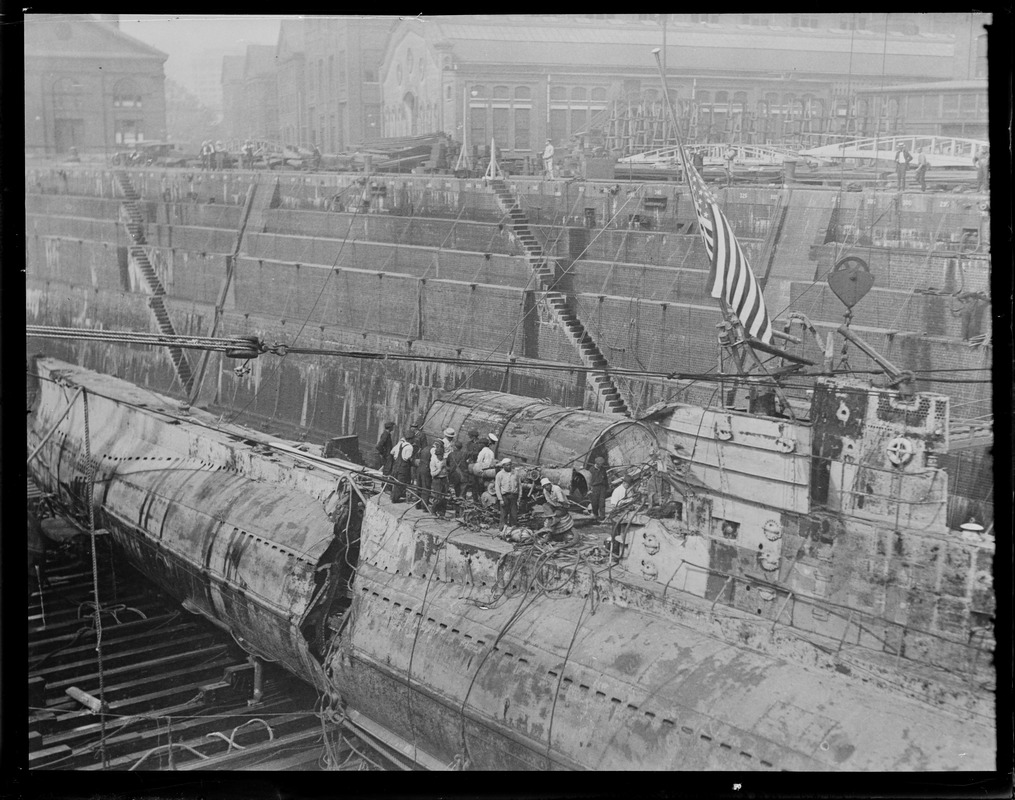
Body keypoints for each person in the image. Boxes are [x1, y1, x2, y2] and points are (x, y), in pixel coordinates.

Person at [494, 458, 520, 531]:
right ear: (503, 466)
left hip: (513, 496)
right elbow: (497, 487)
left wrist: (519, 497)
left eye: (510, 465)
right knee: (504, 513)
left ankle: (513, 529)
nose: (509, 466)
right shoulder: (499, 474)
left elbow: (519, 485)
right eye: (507, 465)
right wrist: (500, 499)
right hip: (504, 496)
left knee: (514, 513)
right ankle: (502, 529)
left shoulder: (515, 473)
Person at [409, 423, 430, 508]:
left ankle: (416, 495)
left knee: (417, 476)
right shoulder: (411, 434)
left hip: (417, 457)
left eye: (413, 428)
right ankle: (413, 492)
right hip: (411, 455)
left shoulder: (422, 435)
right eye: (411, 428)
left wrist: (420, 454)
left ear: (416, 428)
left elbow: (424, 446)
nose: (412, 429)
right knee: (412, 474)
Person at [389, 435, 413, 503]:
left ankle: (392, 496)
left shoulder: (401, 444)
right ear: (411, 439)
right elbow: (407, 458)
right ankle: (395, 499)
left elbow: (392, 452)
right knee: (400, 482)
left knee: (395, 481)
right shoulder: (410, 447)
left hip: (396, 465)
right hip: (403, 467)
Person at [429, 440, 450, 519]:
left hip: (444, 479)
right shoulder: (433, 461)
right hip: (437, 480)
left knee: (444, 497)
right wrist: (440, 469)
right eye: (439, 456)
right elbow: (432, 474)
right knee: (437, 497)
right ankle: (434, 511)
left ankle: (442, 513)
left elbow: (446, 469)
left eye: (441, 455)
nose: (440, 457)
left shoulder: (444, 460)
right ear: (436, 455)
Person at [588, 456, 609, 521]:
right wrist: (589, 490)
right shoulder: (591, 470)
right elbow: (589, 481)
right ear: (597, 464)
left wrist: (607, 487)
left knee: (602, 503)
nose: (601, 466)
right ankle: (595, 516)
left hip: (602, 487)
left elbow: (605, 478)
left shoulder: (603, 469)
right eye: (600, 464)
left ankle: (602, 517)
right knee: (594, 503)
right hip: (595, 488)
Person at [464, 429, 483, 499]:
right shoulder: (469, 443)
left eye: (471, 436)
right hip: (471, 464)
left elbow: (479, 454)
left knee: (479, 482)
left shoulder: (480, 444)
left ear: (474, 437)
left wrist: (472, 453)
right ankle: (475, 497)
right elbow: (467, 452)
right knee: (473, 482)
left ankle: (479, 497)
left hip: (478, 464)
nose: (470, 438)